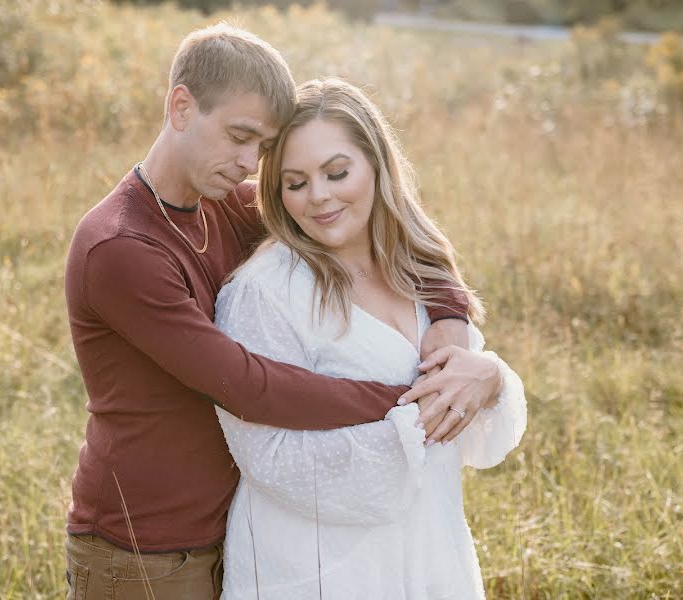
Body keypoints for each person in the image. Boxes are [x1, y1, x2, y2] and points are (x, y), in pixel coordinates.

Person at [63, 24, 504, 600]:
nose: (250, 164)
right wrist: (420, 393)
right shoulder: (119, 247)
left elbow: (387, 233)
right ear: (180, 106)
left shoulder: (225, 203)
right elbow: (248, 386)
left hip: (230, 524)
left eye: (263, 148)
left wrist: (453, 336)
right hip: (145, 543)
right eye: (238, 136)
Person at [214, 77, 527, 599]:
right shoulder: (264, 293)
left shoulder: (418, 271)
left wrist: (491, 378)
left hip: (430, 555)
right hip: (316, 570)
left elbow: (474, 437)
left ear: (377, 163)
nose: (319, 197)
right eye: (295, 182)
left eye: (337, 172)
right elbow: (266, 455)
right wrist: (414, 424)